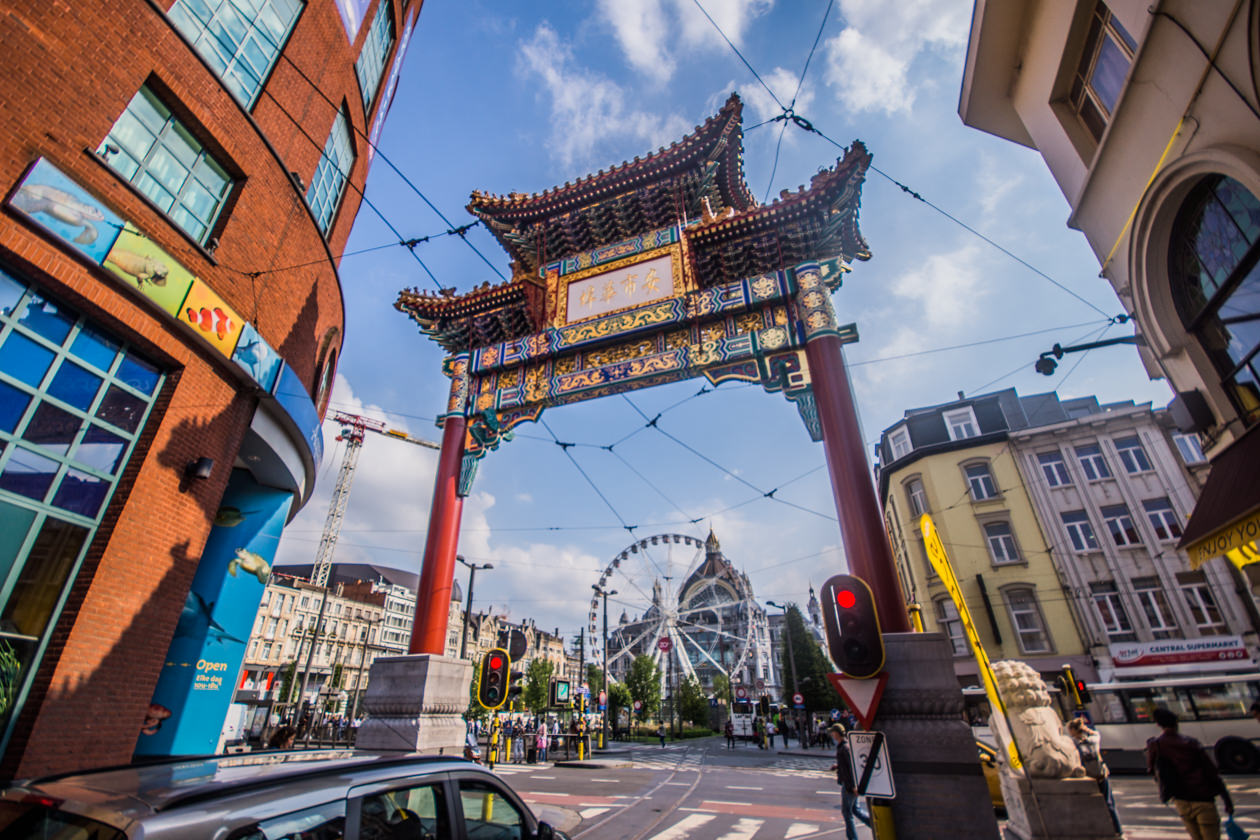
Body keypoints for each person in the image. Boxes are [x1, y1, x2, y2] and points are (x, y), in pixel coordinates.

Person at [1146, 708, 1234, 840]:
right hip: (1203, 798)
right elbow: (1212, 773)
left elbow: (1151, 770)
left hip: (1180, 800)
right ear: (1176, 724)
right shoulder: (1191, 743)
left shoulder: (1156, 745)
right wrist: (1227, 800)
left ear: (1159, 725)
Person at [1067, 716, 1121, 833]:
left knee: (1088, 805)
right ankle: (1118, 831)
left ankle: (1097, 829)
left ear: (1073, 731)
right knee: (1109, 804)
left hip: (1087, 778)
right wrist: (1086, 729)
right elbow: (1096, 733)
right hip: (1101, 775)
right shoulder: (1094, 740)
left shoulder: (1075, 745)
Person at [828, 723, 872, 840]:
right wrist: (837, 766)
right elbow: (847, 765)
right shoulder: (844, 746)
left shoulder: (845, 748)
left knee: (847, 813)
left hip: (849, 786)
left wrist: (853, 786)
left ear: (837, 733)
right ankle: (874, 825)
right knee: (855, 810)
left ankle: (852, 838)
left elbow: (852, 767)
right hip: (849, 784)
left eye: (832, 732)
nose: (831, 734)